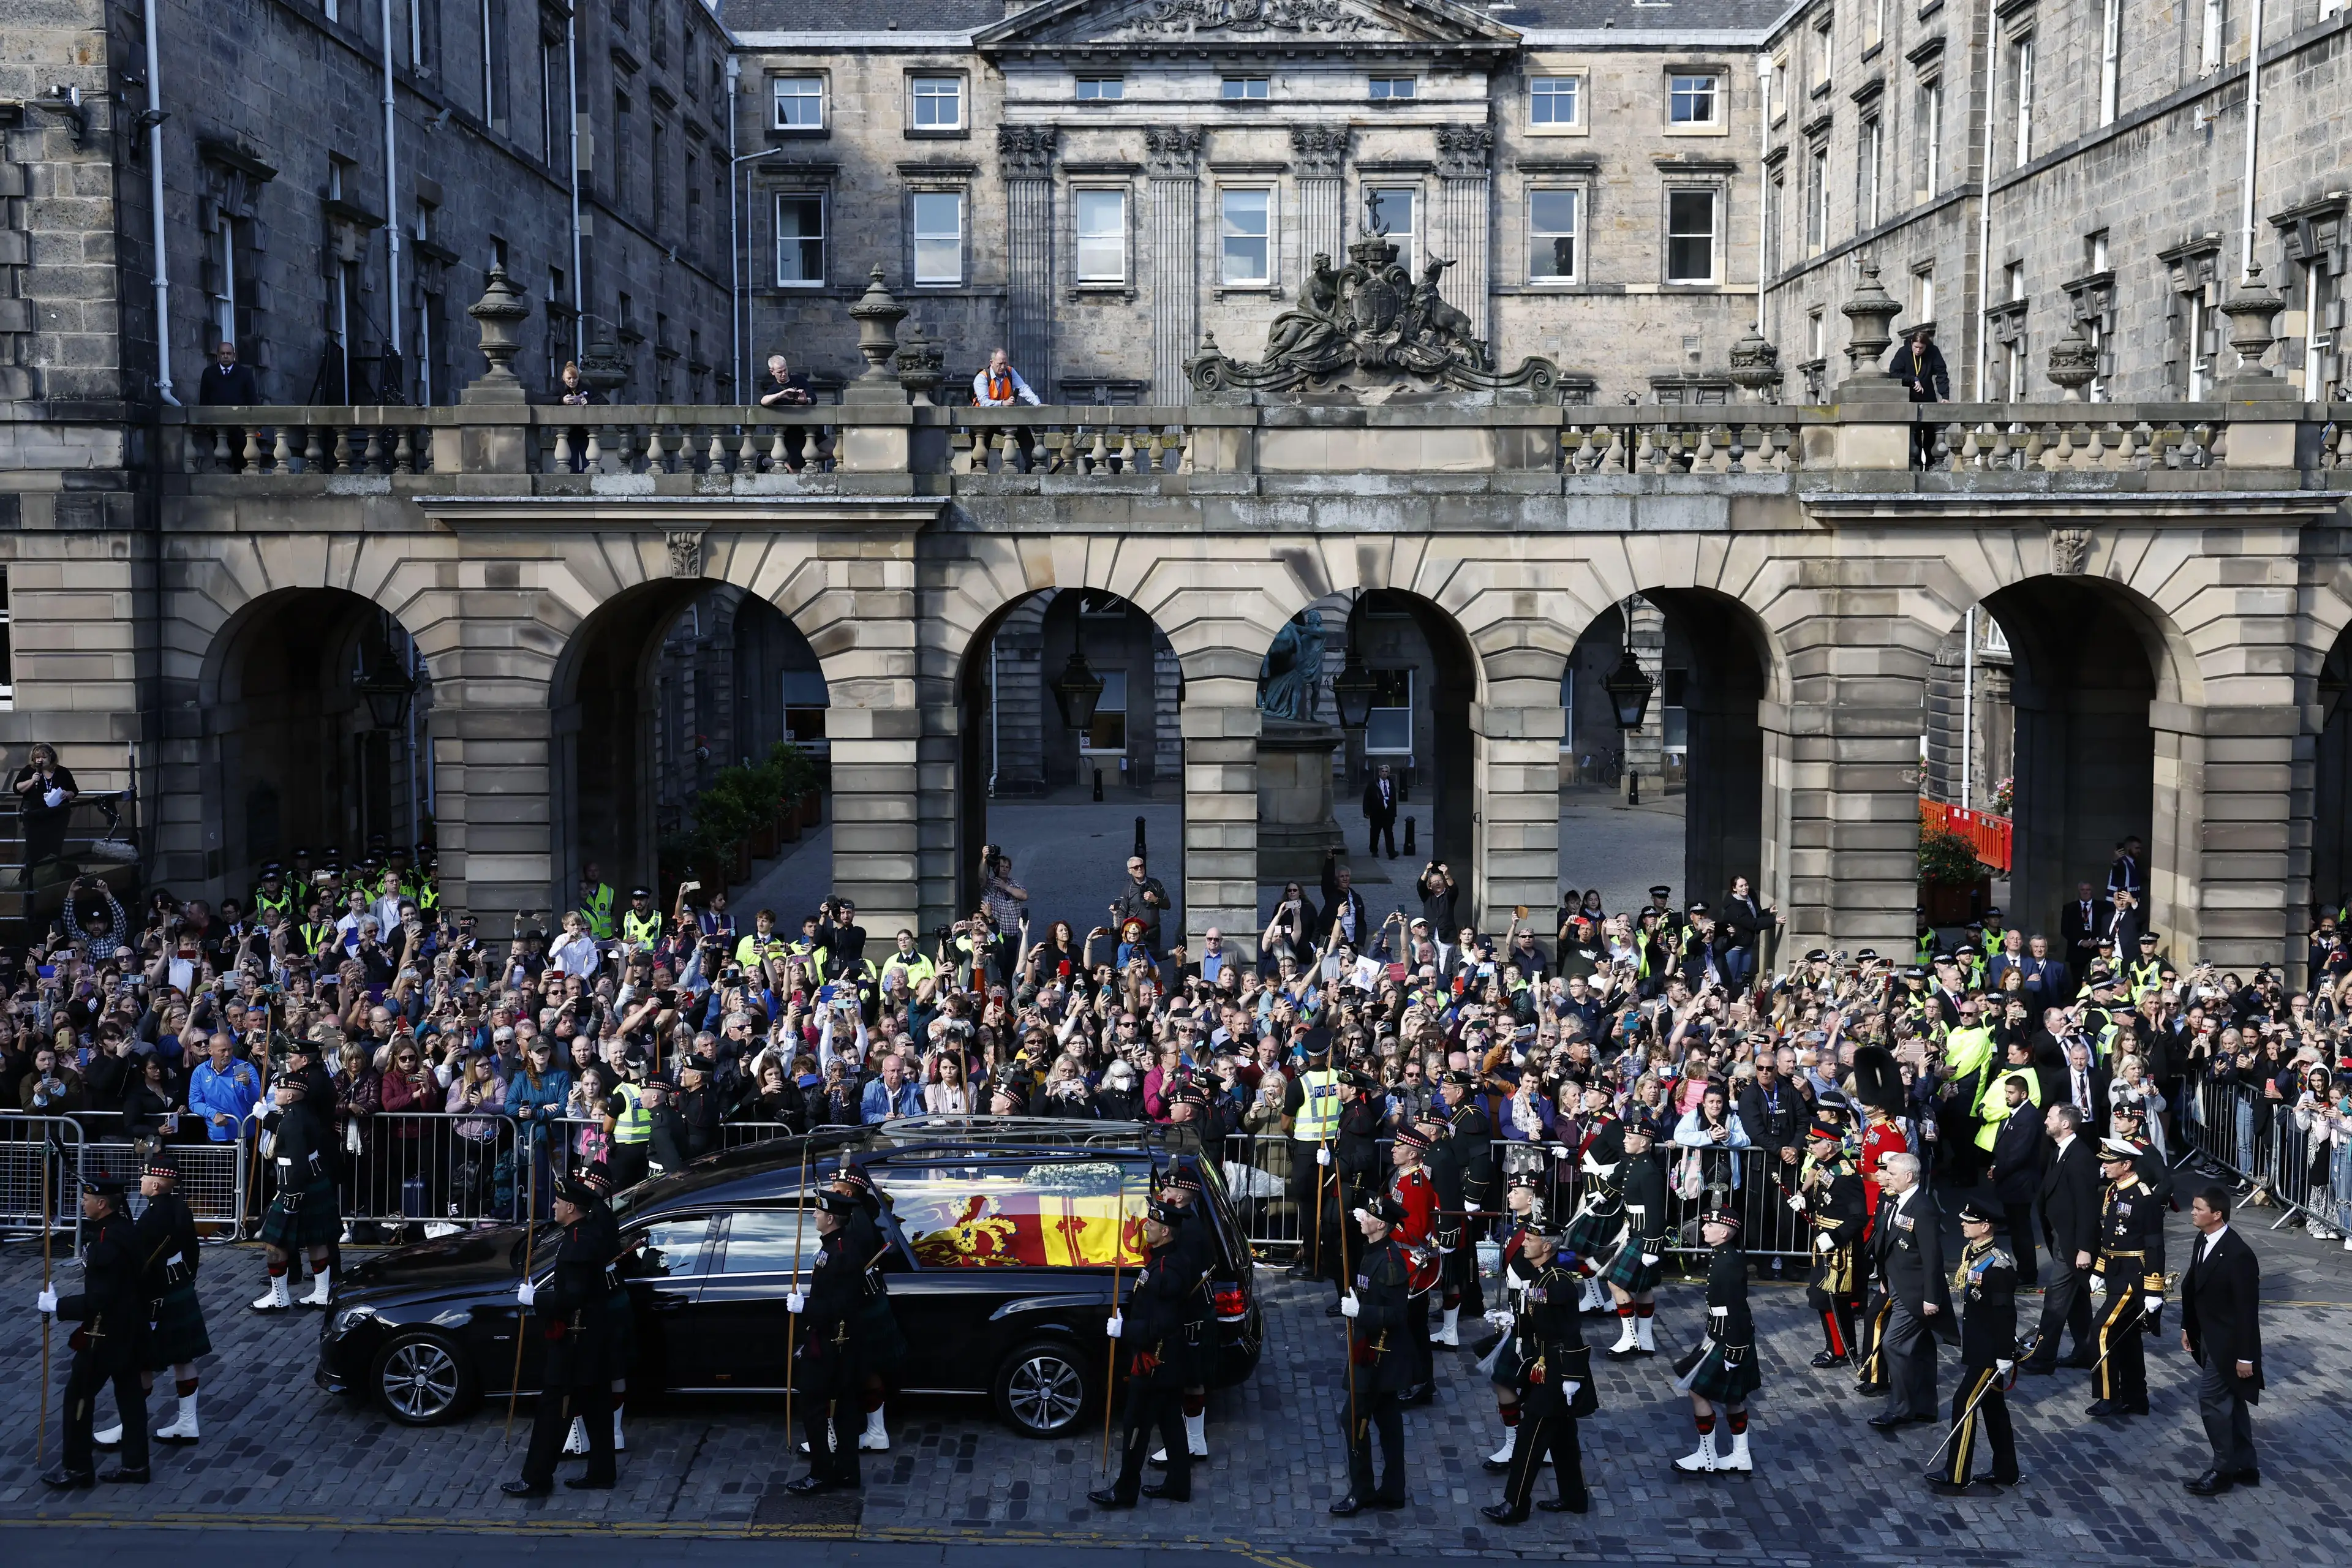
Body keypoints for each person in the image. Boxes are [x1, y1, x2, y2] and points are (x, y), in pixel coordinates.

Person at [502, 1174, 622, 1495]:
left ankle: (537, 1477)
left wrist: (535, 1299)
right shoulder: (592, 1230)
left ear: (571, 1207)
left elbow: (572, 1298)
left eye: (558, 1202)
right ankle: (601, 1472)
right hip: (593, 1338)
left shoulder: (577, 1243)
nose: (554, 1206)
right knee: (596, 1408)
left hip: (575, 1340)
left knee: (552, 1411)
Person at [1089, 1198, 1202, 1509]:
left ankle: (1126, 1490)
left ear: (1166, 1231)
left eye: (1152, 1222)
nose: (1146, 1225)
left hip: (1155, 1363)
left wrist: (1124, 1331)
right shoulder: (1167, 1260)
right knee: (1170, 1422)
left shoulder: (1165, 1270)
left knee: (1136, 1425)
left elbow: (1162, 1325)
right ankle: (1179, 1484)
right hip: (1169, 1362)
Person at [37, 1174, 149, 1487]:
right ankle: (136, 1464)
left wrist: (57, 1307)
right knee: (130, 1397)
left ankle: (78, 1468)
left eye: (86, 1199)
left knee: (79, 1398)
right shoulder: (126, 1230)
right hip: (132, 1329)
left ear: (102, 1204)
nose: (82, 1202)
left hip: (105, 1334)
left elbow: (99, 1300)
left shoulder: (105, 1244)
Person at [92, 1153, 211, 1450]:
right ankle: (188, 1422)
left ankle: (128, 1428)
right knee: (183, 1358)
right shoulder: (180, 1207)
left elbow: (138, 1262)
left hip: (157, 1297)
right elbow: (192, 1253)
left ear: (156, 1185)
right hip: (179, 1286)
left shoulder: (152, 1216)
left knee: (140, 1363)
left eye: (145, 1178)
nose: (141, 1181)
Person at [1480, 1216, 1593, 1522]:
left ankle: (1515, 1504)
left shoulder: (1558, 1282)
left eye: (1530, 1240)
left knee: (1530, 1439)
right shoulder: (1544, 1277)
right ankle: (1575, 1497)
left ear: (1546, 1247)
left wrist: (1571, 1377)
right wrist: (1512, 1322)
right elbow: (1535, 1313)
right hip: (1544, 1364)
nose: (1524, 1243)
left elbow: (1571, 1332)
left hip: (1558, 1371)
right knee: (1562, 1436)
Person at [1926, 1200, 2022, 1495]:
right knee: (1994, 1409)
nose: (1963, 1225)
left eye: (1970, 1221)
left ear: (1986, 1227)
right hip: (1979, 1343)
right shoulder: (1973, 1252)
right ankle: (2007, 1469)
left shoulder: (1999, 1265)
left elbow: (2006, 1314)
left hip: (1991, 1351)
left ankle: (1957, 1474)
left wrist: (2005, 1354)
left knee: (1963, 1403)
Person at [1331, 1193, 1413, 1517]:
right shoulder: (1374, 1252)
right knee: (1389, 1423)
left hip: (1380, 1356)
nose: (1362, 1218)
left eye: (1368, 1215)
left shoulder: (1390, 1262)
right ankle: (1393, 1490)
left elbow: (1396, 1315)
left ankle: (1362, 1490)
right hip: (1373, 1350)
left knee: (1352, 1421)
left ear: (1381, 1225)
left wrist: (1360, 1311)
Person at [2179, 1185, 2263, 1495]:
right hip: (2209, 1336)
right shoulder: (2203, 1239)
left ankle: (2223, 1470)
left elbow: (2246, 1312)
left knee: (2212, 1400)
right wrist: (2189, 1327)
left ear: (2217, 1215)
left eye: (2198, 1209)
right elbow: (2193, 1286)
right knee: (2233, 1401)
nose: (2193, 1212)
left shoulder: (2239, 1254)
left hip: (2228, 1345)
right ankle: (2244, 1465)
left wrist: (2246, 1357)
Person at [1668, 1201, 1761, 1476]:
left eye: (1710, 1225)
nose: (1705, 1228)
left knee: (1698, 1391)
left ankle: (1706, 1456)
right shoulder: (1722, 1255)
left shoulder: (1728, 1262)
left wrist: (1735, 1348)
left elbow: (1738, 1308)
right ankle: (1741, 1456)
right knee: (1734, 1398)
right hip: (1719, 1333)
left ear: (1724, 1233)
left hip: (1729, 1337)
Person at [785, 1187, 867, 1493]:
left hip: (833, 1343)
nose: (815, 1216)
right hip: (834, 1340)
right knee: (844, 1409)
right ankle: (846, 1472)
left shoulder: (840, 1253)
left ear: (831, 1218)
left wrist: (806, 1307)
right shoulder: (834, 1247)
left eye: (819, 1212)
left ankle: (822, 1472)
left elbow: (842, 1306)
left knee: (816, 1409)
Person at [1864, 1151, 1953, 1431]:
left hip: (1916, 1293)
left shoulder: (1922, 1207)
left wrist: (1931, 1297)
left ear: (1909, 1176)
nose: (1886, 1177)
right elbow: (1891, 1243)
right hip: (1898, 1284)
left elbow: (1931, 1257)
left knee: (1894, 1345)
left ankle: (1901, 1409)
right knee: (1922, 1348)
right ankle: (1925, 1407)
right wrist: (1885, 1277)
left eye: (1891, 1173)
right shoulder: (1896, 1200)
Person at [2084, 1136, 2165, 1420]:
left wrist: (2154, 1288)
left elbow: (2154, 1246)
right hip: (2116, 1273)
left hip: (2135, 1278)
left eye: (2110, 1162)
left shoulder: (2145, 1198)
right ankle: (2136, 1398)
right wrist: (2099, 1270)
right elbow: (2112, 1239)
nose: (2105, 1167)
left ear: (2127, 1165)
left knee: (2101, 1331)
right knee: (2127, 1337)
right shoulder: (2114, 1191)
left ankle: (2109, 1396)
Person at [251, 1068, 340, 1311]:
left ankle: (279, 1296)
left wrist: (292, 1195)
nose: (276, 1093)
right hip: (314, 1181)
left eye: (280, 1089)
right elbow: (286, 1125)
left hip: (296, 1185)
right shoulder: (302, 1113)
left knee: (272, 1241)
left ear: (290, 1095)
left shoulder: (292, 1120)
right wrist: (265, 1117)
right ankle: (322, 1292)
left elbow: (298, 1160)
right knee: (316, 1238)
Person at [2022, 1101, 2100, 1373]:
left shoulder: (2080, 1157)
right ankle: (2087, 1351)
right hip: (2060, 1237)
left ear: (2065, 1124)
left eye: (2051, 1117)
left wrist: (2085, 1248)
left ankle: (2043, 1357)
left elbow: (2088, 1207)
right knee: (2076, 1298)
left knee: (2055, 1298)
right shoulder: (2060, 1152)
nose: (2046, 1121)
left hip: (2073, 1243)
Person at [1798, 1117, 1867, 1367]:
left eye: (1815, 1143)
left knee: (1833, 1301)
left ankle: (1841, 1349)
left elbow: (1858, 1216)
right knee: (1822, 1299)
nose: (1811, 1147)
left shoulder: (1846, 1175)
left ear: (1829, 1146)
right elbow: (1825, 1200)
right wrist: (1804, 1200)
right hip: (1824, 1240)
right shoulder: (1825, 1164)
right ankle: (1835, 1347)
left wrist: (1835, 1238)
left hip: (1839, 1248)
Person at [1602, 1110, 1668, 1357]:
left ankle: (1630, 1337)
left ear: (1644, 1142)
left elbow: (1656, 1211)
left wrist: (1652, 1246)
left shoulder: (1649, 1171)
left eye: (1630, 1136)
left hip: (1645, 1236)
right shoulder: (1634, 1163)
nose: (1625, 1139)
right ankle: (1646, 1339)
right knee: (1643, 1288)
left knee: (1615, 1282)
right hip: (1634, 1231)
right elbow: (1618, 1181)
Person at [13, 742, 79, 886]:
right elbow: (17, 789)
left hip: (57, 818)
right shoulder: (29, 771)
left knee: (54, 848)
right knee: (33, 849)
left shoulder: (62, 772)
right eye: (37, 758)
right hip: (35, 818)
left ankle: (51, 878)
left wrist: (68, 794)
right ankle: (28, 882)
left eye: (43, 757)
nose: (40, 760)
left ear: (51, 757)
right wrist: (32, 781)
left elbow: (74, 791)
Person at [1888, 327, 1948, 468]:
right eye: (1916, 347)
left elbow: (1942, 374)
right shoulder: (1903, 353)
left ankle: (1931, 464)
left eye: (1921, 348)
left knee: (1930, 434)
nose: (1918, 350)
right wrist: (1912, 379)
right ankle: (1915, 465)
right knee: (1913, 435)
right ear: (1911, 344)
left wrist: (1944, 395)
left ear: (1926, 346)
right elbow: (1893, 373)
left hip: (1928, 397)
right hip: (1910, 398)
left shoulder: (1933, 352)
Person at [758, 353, 816, 472]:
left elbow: (813, 399)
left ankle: (771, 462)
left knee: (830, 451)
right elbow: (763, 402)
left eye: (785, 370)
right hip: (790, 433)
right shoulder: (774, 389)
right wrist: (781, 395)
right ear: (772, 372)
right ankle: (768, 462)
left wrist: (806, 401)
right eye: (780, 372)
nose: (784, 374)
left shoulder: (799, 380)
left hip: (807, 427)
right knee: (793, 471)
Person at [195, 339, 261, 405]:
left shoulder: (245, 373)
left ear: (234, 355)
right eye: (223, 354)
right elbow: (204, 401)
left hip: (239, 414)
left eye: (229, 354)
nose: (226, 356)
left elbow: (253, 400)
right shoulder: (209, 373)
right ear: (218, 355)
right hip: (215, 415)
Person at [1361, 763, 1400, 860]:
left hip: (1388, 814)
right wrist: (1367, 811)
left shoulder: (1391, 784)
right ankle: (1374, 850)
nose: (1384, 773)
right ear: (1379, 773)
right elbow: (1367, 798)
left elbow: (1394, 800)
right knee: (1375, 833)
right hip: (1376, 813)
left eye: (1386, 772)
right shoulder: (1373, 784)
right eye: (1383, 771)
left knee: (1389, 834)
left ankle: (1391, 852)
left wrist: (1394, 814)